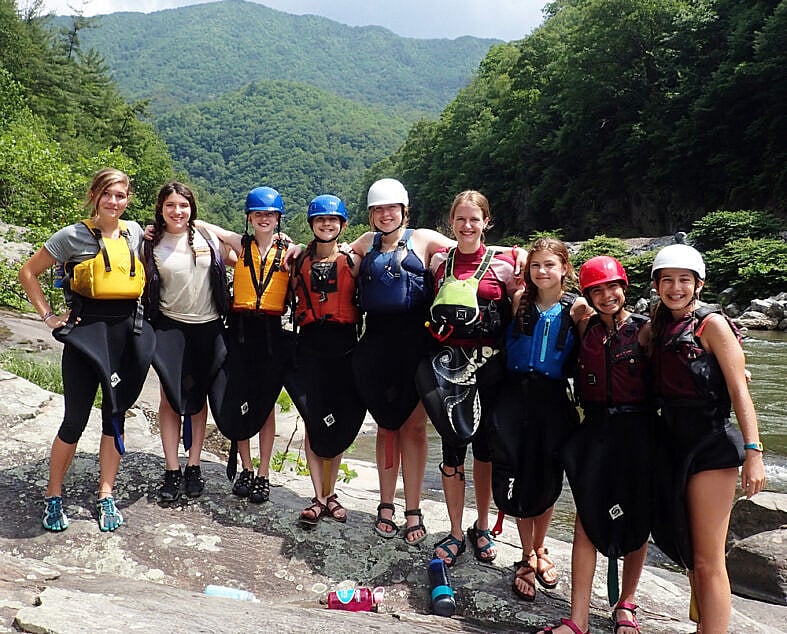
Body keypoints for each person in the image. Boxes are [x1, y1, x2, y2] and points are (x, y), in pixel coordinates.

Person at [18, 167, 154, 532]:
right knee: (75, 419)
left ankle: (105, 493)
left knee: (115, 415)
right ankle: (53, 494)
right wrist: (47, 316)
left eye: (121, 196)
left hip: (126, 332)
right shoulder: (72, 236)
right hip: (85, 334)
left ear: (128, 199)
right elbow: (28, 271)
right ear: (95, 195)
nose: (114, 202)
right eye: (107, 194)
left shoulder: (135, 232)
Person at [649, 244, 765, 633]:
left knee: (708, 559)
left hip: (711, 446)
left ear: (698, 285)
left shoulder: (711, 325)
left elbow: (739, 390)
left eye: (684, 280)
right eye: (668, 280)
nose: (676, 288)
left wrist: (754, 452)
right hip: (673, 445)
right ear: (657, 285)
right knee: (686, 549)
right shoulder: (659, 326)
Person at [538, 256, 653, 634]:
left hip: (637, 431)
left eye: (612, 287)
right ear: (587, 294)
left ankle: (626, 605)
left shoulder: (645, 331)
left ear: (624, 287)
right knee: (587, 520)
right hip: (596, 430)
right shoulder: (583, 326)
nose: (607, 296)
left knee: (637, 518)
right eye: (597, 290)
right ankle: (579, 619)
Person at [415, 190, 520, 567]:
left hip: (492, 366)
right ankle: (456, 530)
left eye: (474, 219)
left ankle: (482, 525)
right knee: (452, 448)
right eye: (460, 219)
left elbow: (520, 307)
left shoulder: (507, 264)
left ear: (486, 222)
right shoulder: (439, 262)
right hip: (449, 366)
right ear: (451, 223)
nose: (467, 225)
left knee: (485, 449)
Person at [488, 237, 589, 601]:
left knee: (546, 475)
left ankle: (541, 548)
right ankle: (526, 553)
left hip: (552, 400)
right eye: (535, 265)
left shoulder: (577, 308)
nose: (542, 272)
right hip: (515, 396)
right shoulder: (519, 301)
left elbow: (604, 340)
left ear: (564, 268)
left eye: (549, 264)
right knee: (517, 469)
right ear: (527, 270)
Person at [199, 186, 292, 503]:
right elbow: (203, 226)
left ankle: (264, 473)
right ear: (250, 218)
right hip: (239, 332)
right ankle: (247, 469)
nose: (264, 219)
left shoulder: (290, 252)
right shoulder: (241, 246)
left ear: (278, 219)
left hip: (270, 334)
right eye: (258, 214)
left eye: (269, 214)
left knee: (265, 405)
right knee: (239, 396)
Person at [142, 182, 231, 502]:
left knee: (199, 397)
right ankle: (171, 468)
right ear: (161, 209)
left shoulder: (207, 237)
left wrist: (210, 227)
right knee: (170, 397)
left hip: (209, 326)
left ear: (192, 208)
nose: (177, 211)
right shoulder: (150, 242)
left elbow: (244, 253)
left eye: (183, 205)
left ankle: (193, 464)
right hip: (170, 328)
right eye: (170, 206)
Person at [287, 195, 365, 525]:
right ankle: (318, 496)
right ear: (312, 225)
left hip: (344, 349)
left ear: (342, 225)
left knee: (341, 421)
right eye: (321, 220)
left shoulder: (353, 260)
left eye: (333, 221)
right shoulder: (298, 260)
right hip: (311, 349)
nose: (327, 224)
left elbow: (379, 239)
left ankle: (331, 493)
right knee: (313, 419)